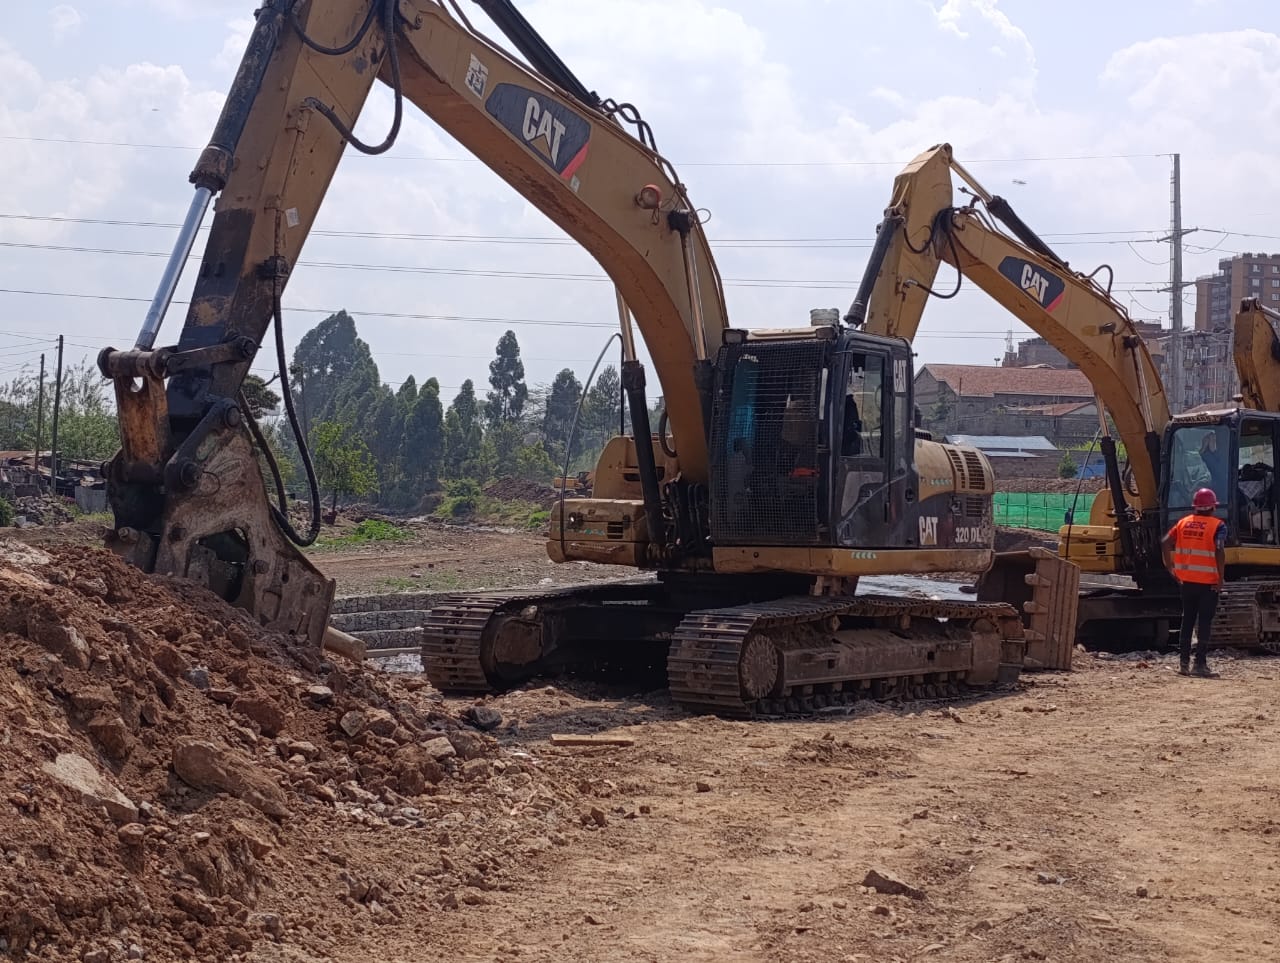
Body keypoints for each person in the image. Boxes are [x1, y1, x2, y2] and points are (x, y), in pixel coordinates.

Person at [1161, 487, 1226, 678]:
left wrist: (1169, 567)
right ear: (1213, 507)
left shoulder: (1183, 523)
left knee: (1187, 620)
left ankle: (1183, 664)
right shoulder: (1218, 526)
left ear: (1195, 507)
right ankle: (1200, 664)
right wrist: (1221, 578)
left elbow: (1165, 542)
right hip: (1208, 583)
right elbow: (1219, 549)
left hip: (1186, 581)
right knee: (1204, 622)